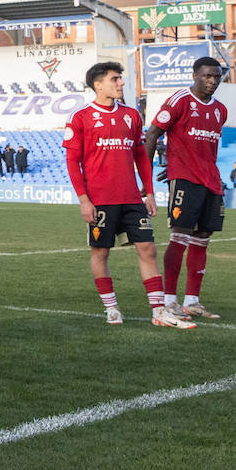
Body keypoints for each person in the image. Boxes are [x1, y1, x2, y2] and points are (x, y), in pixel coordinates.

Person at [64, 62, 173, 326]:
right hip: (100, 200)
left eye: (121, 79)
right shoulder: (81, 117)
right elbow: (72, 161)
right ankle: (111, 307)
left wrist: (148, 192)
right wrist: (84, 200)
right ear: (98, 85)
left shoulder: (132, 115)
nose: (121, 83)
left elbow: (141, 156)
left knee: (148, 248)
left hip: (132, 198)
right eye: (115, 79)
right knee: (101, 253)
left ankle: (158, 311)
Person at [145, 56, 227, 323]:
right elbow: (153, 133)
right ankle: (169, 301)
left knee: (203, 237)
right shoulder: (179, 99)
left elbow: (199, 145)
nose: (212, 81)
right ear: (195, 75)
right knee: (180, 235)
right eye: (207, 76)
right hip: (185, 179)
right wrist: (149, 174)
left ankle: (192, 301)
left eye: (216, 76)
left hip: (211, 179)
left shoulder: (220, 110)